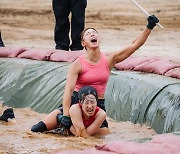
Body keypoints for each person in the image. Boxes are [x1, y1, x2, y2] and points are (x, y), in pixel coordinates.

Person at [31, 15, 159, 136]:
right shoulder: (78, 64)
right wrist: (65, 115)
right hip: (76, 103)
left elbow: (134, 45)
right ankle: (61, 122)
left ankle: (70, 129)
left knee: (101, 136)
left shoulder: (109, 59)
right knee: (36, 130)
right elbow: (68, 91)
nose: (92, 34)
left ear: (98, 38)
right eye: (88, 33)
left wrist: (149, 27)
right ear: (83, 43)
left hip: (97, 105)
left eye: (94, 32)